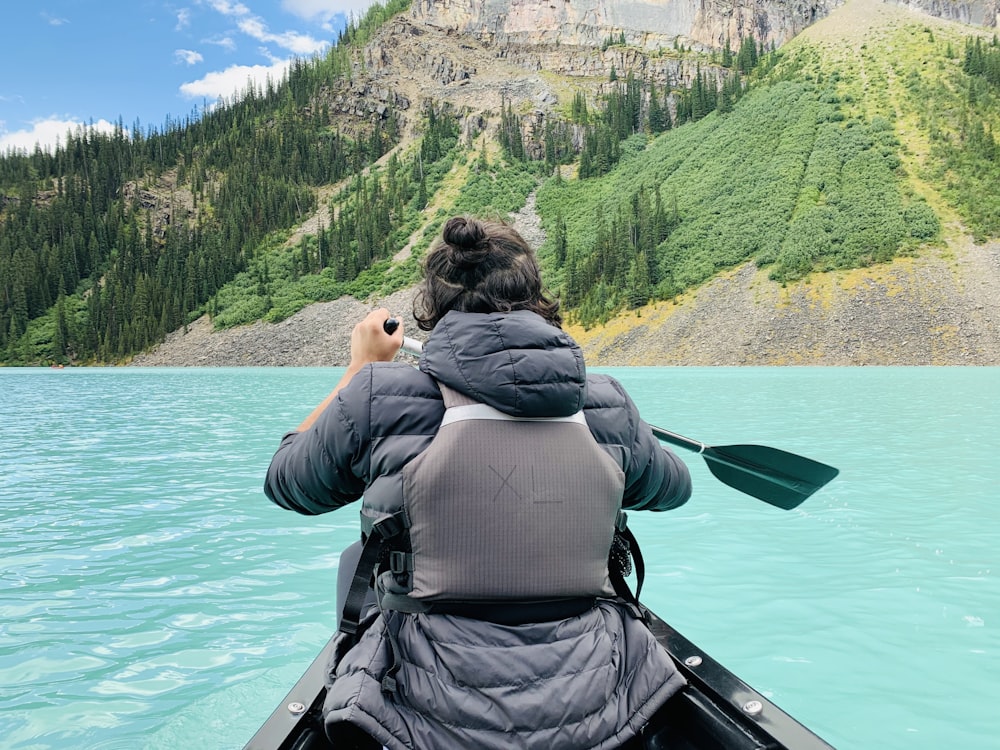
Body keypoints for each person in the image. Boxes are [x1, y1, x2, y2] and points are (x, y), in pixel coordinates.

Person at [264, 215, 693, 750]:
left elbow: (285, 482)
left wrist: (357, 369)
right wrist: (621, 428)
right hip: (598, 700)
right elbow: (675, 489)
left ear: (433, 308)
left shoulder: (376, 396)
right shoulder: (604, 400)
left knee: (360, 556)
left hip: (420, 710)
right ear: (536, 296)